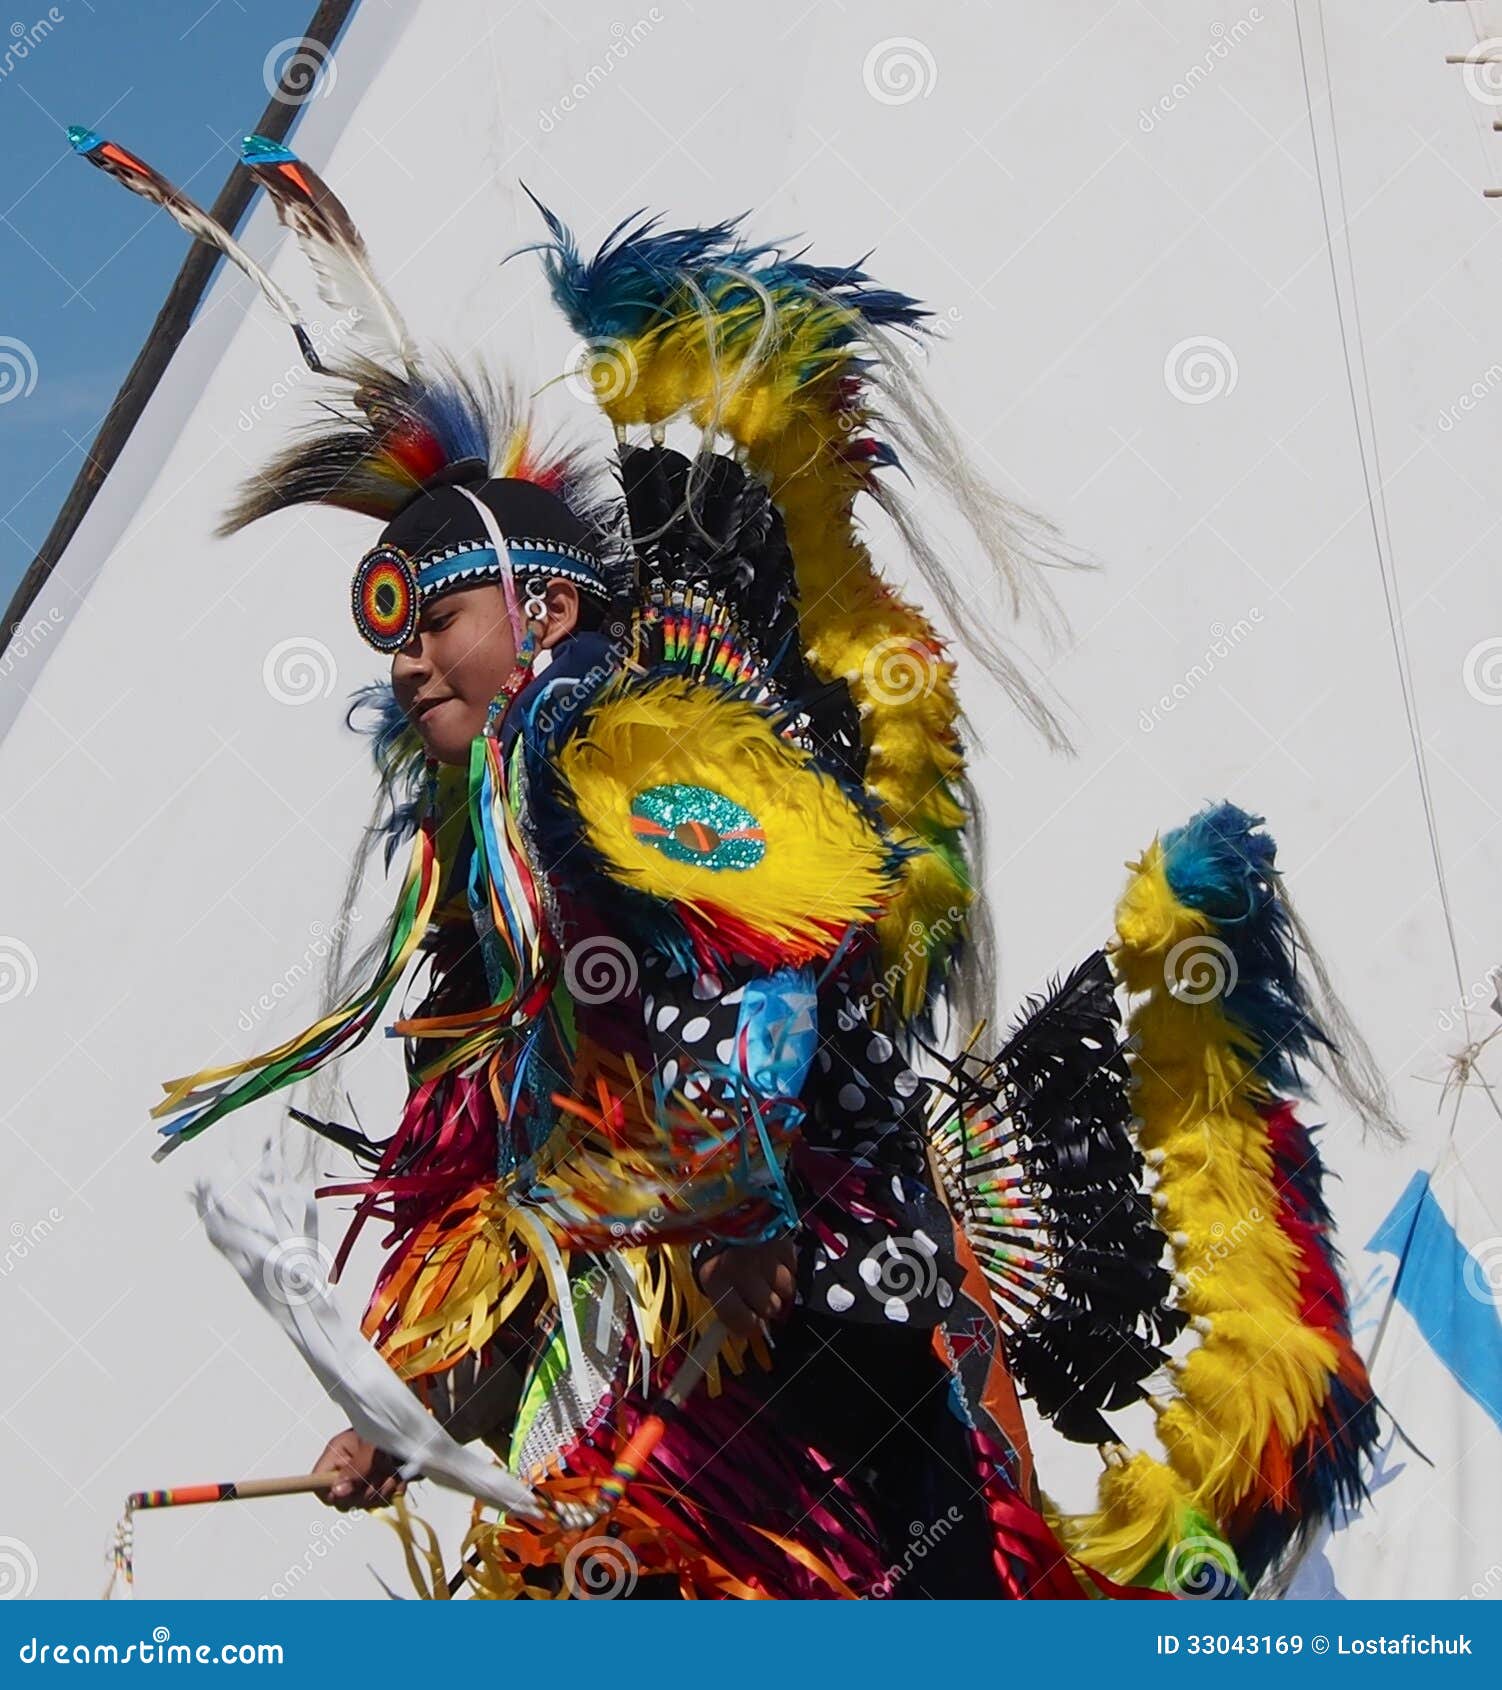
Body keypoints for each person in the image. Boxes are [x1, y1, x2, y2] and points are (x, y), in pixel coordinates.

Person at [75, 125, 1392, 1600]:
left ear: (539, 613)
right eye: (387, 640)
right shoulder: (489, 887)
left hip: (829, 1312)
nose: (406, 664)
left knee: (627, 1581)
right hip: (732, 1348)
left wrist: (745, 1205)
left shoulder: (608, 737)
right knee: (580, 1578)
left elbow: (791, 927)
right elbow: (515, 1184)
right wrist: (413, 1409)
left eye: (432, 622)